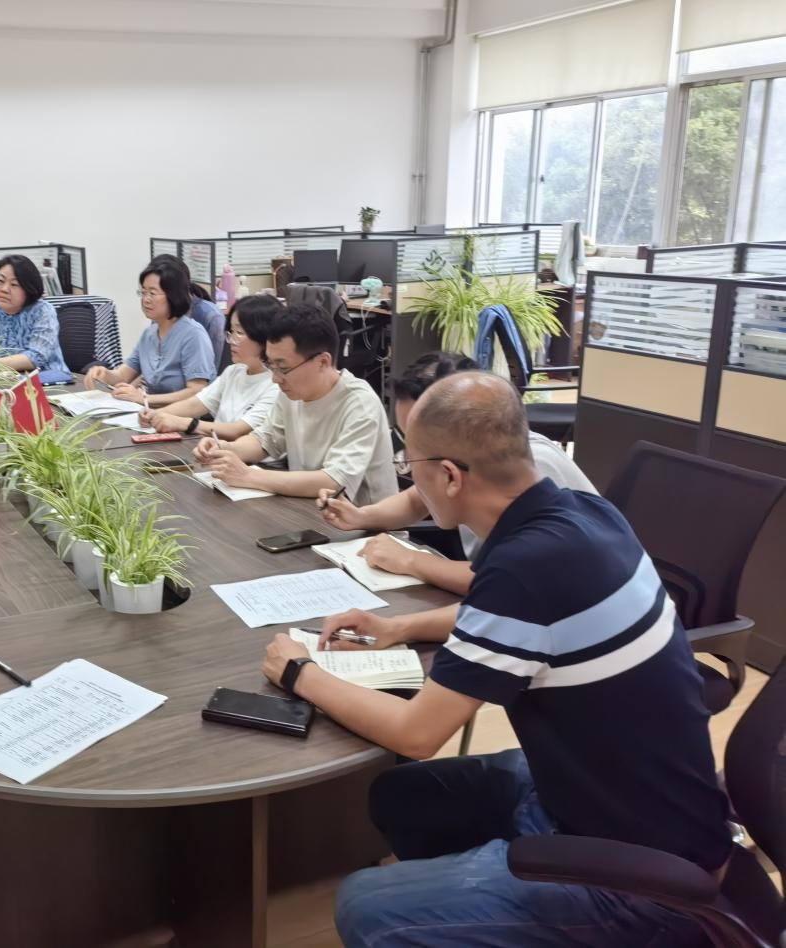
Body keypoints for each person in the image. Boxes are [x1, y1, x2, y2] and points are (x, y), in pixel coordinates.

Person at [260, 372, 729, 948]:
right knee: (402, 796)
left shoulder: (523, 567)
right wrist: (399, 626)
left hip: (643, 875)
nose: (410, 479)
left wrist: (298, 672)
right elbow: (513, 615)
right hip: (611, 793)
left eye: (411, 466)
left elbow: (415, 733)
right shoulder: (580, 512)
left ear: (449, 476)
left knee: (367, 906)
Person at [319, 351, 596, 595]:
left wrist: (412, 561)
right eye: (406, 437)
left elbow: (509, 579)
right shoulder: (468, 458)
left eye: (420, 436)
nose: (414, 454)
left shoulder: (529, 467)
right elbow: (417, 499)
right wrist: (361, 516)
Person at [191, 303, 396, 504]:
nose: (275, 378)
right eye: (271, 365)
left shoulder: (359, 403)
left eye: (283, 368)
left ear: (322, 362)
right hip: (311, 510)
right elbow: (265, 440)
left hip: (363, 521)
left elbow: (334, 482)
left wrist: (247, 475)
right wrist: (224, 449)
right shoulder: (292, 392)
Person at [138, 294, 281, 440]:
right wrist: (157, 414)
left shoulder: (276, 384)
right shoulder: (233, 372)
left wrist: (185, 423)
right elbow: (197, 403)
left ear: (264, 336)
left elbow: (237, 430)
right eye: (231, 332)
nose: (232, 340)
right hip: (216, 449)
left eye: (239, 333)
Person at [84, 259, 215, 407]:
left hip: (181, 417)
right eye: (143, 292)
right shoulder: (149, 334)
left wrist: (144, 398)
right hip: (150, 414)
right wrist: (104, 374)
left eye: (152, 293)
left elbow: (197, 391)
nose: (145, 300)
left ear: (174, 296)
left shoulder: (193, 335)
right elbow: (123, 376)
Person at [0, 254, 70, 376]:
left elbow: (36, 357)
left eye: (14, 284)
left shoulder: (42, 311)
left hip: (46, 380)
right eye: (0, 281)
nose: (4, 289)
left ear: (29, 289)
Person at [149, 253, 225, 364]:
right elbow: (153, 359)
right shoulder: (159, 311)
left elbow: (211, 368)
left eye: (154, 292)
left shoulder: (211, 317)